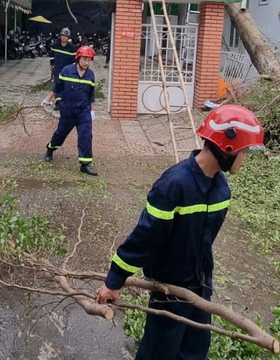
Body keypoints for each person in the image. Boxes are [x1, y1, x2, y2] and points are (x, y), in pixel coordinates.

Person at [95, 105, 265, 360]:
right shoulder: (173, 186)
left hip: (201, 285)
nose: (245, 158)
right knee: (159, 352)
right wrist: (113, 281)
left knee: (195, 349)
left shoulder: (222, 190)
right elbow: (144, 238)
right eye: (245, 152)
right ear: (228, 148)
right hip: (170, 290)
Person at [41, 46, 98, 176]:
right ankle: (50, 148)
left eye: (89, 60)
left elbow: (91, 95)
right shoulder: (67, 71)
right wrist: (47, 99)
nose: (87, 63)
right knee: (60, 133)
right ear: (78, 58)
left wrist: (92, 111)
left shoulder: (90, 75)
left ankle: (85, 164)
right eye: (84, 59)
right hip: (68, 110)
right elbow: (57, 87)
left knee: (86, 136)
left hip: (83, 111)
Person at [48, 27, 77, 110]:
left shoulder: (72, 48)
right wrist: (52, 65)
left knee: (66, 86)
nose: (64, 38)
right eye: (63, 36)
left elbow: (74, 60)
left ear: (68, 38)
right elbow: (51, 56)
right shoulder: (55, 46)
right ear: (60, 36)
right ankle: (58, 103)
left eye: (66, 36)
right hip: (57, 69)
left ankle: (65, 102)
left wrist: (73, 70)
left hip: (67, 70)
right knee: (57, 85)